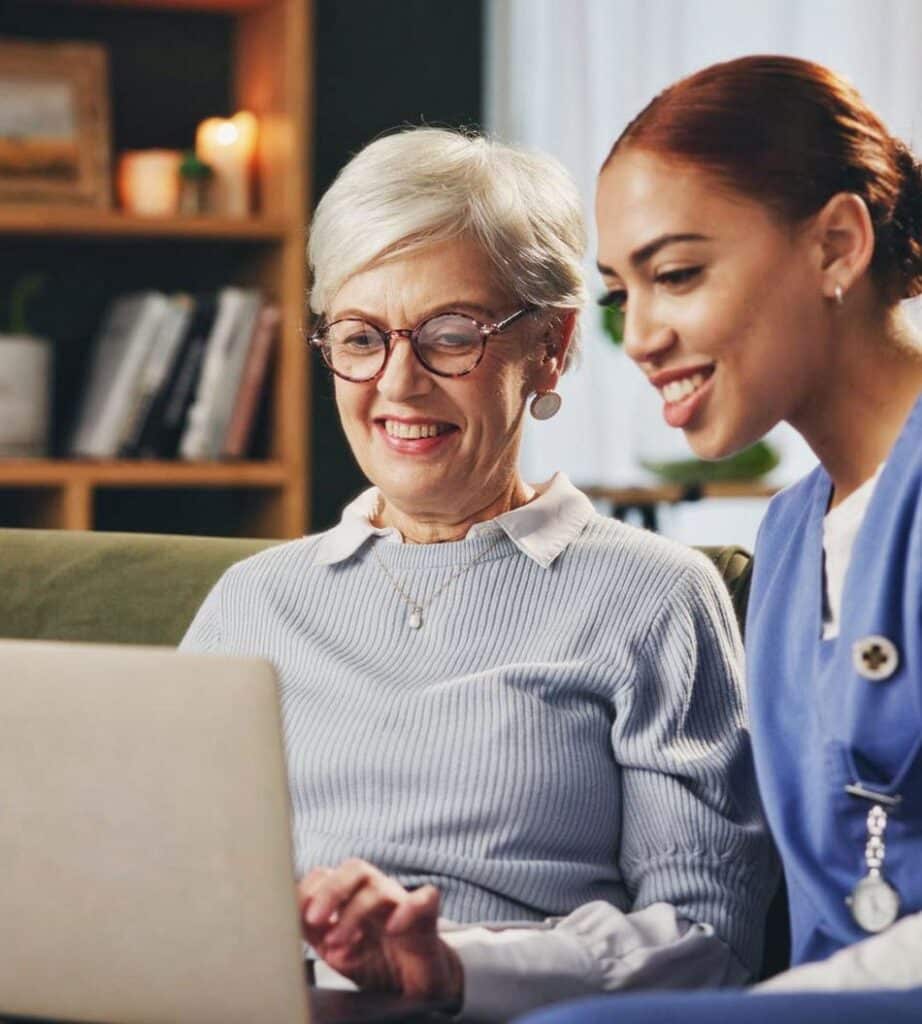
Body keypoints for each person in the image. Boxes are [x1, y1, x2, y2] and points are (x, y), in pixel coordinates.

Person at [179, 126, 775, 1020]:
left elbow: (706, 941)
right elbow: (150, 880)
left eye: (452, 335)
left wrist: (452, 966)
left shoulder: (655, 597)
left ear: (552, 343)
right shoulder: (252, 602)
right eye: (359, 336)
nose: (399, 383)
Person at [518, 54, 922, 1024]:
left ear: (835, 245)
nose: (643, 335)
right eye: (621, 294)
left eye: (677, 274)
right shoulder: (788, 537)